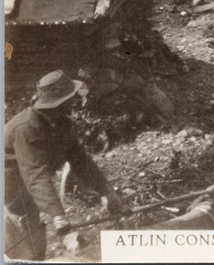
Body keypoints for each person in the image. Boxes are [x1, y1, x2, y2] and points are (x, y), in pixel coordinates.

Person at [4, 71, 124, 260]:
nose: (75, 101)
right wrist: (58, 215)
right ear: (59, 102)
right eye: (71, 98)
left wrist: (106, 191)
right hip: (11, 192)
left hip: (29, 187)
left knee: (35, 247)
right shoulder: (26, 128)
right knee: (24, 250)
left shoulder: (61, 123)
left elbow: (80, 160)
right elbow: (35, 174)